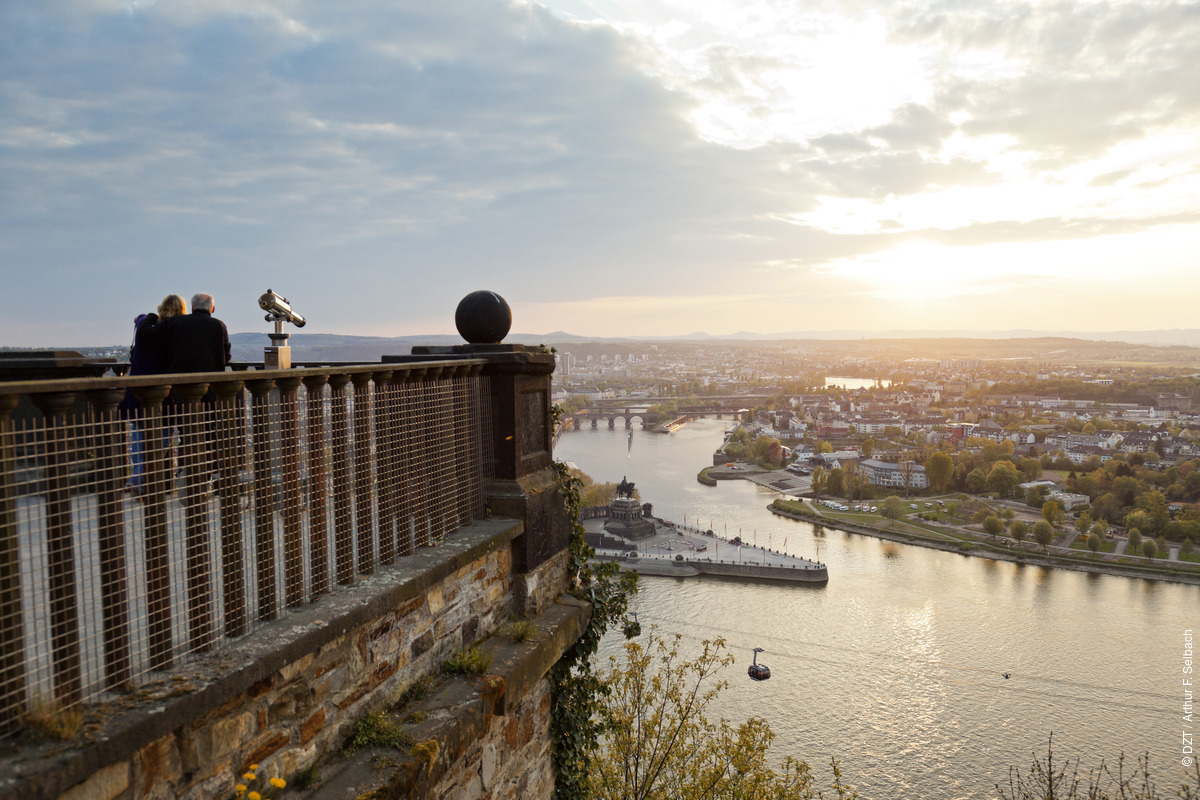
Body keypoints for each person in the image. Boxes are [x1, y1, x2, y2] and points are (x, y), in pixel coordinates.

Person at [121, 294, 187, 492]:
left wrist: (144, 316)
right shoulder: (173, 331)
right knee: (164, 436)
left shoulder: (144, 324)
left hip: (137, 389)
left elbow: (140, 318)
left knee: (139, 436)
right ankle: (140, 480)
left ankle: (137, 478)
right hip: (162, 391)